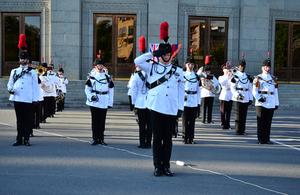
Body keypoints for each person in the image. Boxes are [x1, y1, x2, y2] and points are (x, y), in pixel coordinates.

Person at [134, 21, 185, 177]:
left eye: (169, 54)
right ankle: (157, 166)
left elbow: (181, 89)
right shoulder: (152, 67)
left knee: (168, 140)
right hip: (156, 107)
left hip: (171, 107)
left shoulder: (177, 70)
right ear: (160, 55)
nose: (167, 56)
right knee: (157, 139)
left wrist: (180, 108)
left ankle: (166, 166)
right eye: (165, 54)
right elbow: (137, 62)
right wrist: (152, 54)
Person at [7, 34, 39, 146]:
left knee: (28, 120)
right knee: (19, 120)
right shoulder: (14, 71)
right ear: (19, 60)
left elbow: (36, 86)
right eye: (21, 59)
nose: (23, 60)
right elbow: (10, 83)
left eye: (25, 59)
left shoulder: (33, 72)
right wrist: (10, 89)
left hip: (28, 99)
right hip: (17, 98)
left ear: (27, 60)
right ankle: (18, 139)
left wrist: (36, 99)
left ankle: (26, 139)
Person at [85, 57, 114, 146]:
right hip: (94, 100)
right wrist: (91, 96)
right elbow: (87, 89)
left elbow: (111, 91)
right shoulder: (92, 77)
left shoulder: (108, 77)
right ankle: (94, 139)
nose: (100, 67)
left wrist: (110, 102)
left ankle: (101, 139)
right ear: (95, 66)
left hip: (104, 100)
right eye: (98, 65)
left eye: (101, 65)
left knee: (102, 121)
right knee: (95, 121)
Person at [253, 56, 279, 144]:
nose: (268, 69)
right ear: (262, 68)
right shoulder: (258, 78)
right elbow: (254, 90)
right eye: (266, 67)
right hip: (261, 102)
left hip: (271, 101)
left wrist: (276, 102)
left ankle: (266, 138)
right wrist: (258, 98)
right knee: (261, 121)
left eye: (269, 67)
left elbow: (275, 91)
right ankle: (260, 138)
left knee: (268, 122)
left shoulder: (273, 79)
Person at [231, 54, 253, 135]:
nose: (242, 67)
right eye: (240, 66)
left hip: (246, 96)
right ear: (238, 66)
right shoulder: (235, 76)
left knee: (244, 114)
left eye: (243, 66)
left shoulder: (248, 76)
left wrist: (251, 98)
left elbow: (250, 89)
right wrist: (237, 95)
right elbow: (232, 88)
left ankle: (243, 130)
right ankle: (238, 130)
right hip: (238, 96)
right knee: (238, 114)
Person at [182, 56, 201, 144]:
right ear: (186, 65)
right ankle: (185, 137)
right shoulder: (183, 76)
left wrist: (198, 103)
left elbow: (199, 91)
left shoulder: (197, 77)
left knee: (192, 121)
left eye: (192, 64)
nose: (190, 66)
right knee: (185, 120)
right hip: (185, 100)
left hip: (193, 99)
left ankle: (191, 138)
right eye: (189, 64)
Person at [131, 66, 152, 149]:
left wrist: (133, 102)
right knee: (150, 124)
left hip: (140, 102)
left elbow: (133, 90)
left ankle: (142, 143)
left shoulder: (136, 75)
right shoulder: (151, 74)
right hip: (150, 102)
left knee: (142, 124)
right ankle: (149, 143)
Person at [198, 56, 220, 124]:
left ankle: (209, 120)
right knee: (204, 108)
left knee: (210, 108)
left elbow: (217, 82)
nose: (207, 72)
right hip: (204, 94)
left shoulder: (212, 76)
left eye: (208, 71)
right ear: (204, 71)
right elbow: (200, 84)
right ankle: (203, 120)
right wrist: (203, 81)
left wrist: (212, 85)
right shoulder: (202, 77)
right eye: (206, 71)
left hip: (211, 94)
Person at [218, 62, 233, 130]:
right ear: (223, 70)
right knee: (223, 111)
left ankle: (228, 124)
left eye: (228, 69)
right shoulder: (221, 77)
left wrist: (231, 76)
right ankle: (223, 124)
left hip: (230, 94)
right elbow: (222, 84)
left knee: (229, 111)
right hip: (224, 94)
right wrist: (227, 77)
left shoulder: (231, 77)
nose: (227, 70)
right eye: (226, 69)